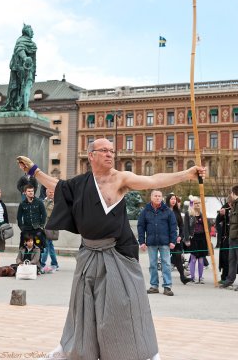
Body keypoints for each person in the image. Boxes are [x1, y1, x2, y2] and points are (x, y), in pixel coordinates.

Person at [17, 138, 205, 360]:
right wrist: (34, 170)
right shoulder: (80, 183)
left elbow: (153, 179)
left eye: (111, 150)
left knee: (126, 305)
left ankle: (141, 353)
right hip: (89, 254)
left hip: (118, 252)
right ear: (91, 155)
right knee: (83, 306)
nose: (109, 154)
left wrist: (187, 174)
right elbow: (57, 186)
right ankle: (72, 349)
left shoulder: (121, 179)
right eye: (104, 150)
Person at [137, 190, 177, 296]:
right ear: (151, 197)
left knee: (166, 264)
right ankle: (154, 286)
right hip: (151, 242)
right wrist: (142, 242)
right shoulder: (145, 211)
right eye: (155, 196)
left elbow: (173, 227)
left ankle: (167, 286)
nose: (158, 198)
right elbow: (140, 226)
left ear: (162, 198)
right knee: (153, 265)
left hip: (165, 243)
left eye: (159, 196)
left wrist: (173, 240)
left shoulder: (168, 211)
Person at [0, 24, 37, 112]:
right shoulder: (21, 40)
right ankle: (23, 106)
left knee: (25, 86)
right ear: (26, 31)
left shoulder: (30, 42)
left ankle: (23, 106)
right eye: (31, 31)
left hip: (27, 68)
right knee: (21, 86)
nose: (33, 33)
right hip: (21, 67)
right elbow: (19, 49)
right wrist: (25, 58)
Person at [165, 193, 192, 285]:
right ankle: (166, 279)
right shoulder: (164, 210)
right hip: (166, 239)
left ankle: (182, 277)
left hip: (177, 239)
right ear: (168, 200)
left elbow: (181, 225)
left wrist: (181, 236)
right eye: (171, 199)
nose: (173, 201)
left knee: (178, 257)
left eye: (174, 199)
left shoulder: (177, 211)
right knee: (165, 259)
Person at [220, 185, 238, 291]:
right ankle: (229, 280)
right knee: (231, 260)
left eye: (231, 193)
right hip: (232, 238)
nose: (230, 195)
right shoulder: (235, 204)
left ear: (233, 193)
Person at [183, 197, 208, 284]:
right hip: (193, 238)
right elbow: (185, 227)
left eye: (198, 203)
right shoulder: (188, 213)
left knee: (201, 259)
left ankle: (201, 277)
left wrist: (208, 240)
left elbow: (207, 227)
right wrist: (186, 239)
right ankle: (193, 277)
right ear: (192, 204)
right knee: (193, 258)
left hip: (202, 238)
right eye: (195, 203)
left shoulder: (203, 214)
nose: (197, 205)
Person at [17, 184, 47, 251]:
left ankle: (38, 261)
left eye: (32, 191)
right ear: (25, 192)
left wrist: (41, 226)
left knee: (38, 248)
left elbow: (44, 214)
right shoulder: (22, 204)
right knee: (25, 248)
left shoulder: (39, 202)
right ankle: (26, 261)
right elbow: (19, 217)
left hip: (37, 230)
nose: (31, 192)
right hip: (26, 230)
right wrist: (22, 228)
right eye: (29, 191)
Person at [41, 188, 59, 272]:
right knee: (50, 245)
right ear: (46, 193)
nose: (51, 193)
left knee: (46, 245)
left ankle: (42, 264)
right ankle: (55, 263)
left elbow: (50, 214)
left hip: (50, 227)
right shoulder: (42, 201)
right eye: (50, 192)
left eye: (53, 192)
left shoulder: (57, 202)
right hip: (43, 226)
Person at [216, 198, 232, 282]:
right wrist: (221, 215)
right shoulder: (224, 207)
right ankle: (224, 277)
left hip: (236, 237)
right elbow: (218, 222)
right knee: (225, 258)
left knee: (236, 259)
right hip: (226, 238)